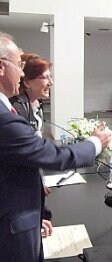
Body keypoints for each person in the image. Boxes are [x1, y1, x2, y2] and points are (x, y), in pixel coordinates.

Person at [0, 32, 111, 262]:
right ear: (1, 68)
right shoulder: (5, 118)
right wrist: (95, 143)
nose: (21, 73)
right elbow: (49, 155)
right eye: (18, 65)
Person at [10, 53, 54, 237]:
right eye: (46, 77)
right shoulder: (17, 110)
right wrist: (94, 144)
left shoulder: (33, 106)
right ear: (26, 82)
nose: (50, 82)